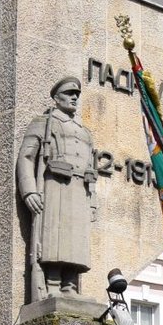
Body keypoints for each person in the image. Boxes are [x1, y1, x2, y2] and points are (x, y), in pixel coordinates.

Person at [16, 77, 102, 298]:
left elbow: (92, 170)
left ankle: (70, 286)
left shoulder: (85, 132)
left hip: (80, 191)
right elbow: (26, 157)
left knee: (76, 239)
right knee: (54, 236)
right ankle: (52, 284)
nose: (74, 98)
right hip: (54, 186)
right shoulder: (44, 123)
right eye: (69, 93)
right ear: (56, 97)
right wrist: (29, 191)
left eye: (77, 94)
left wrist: (92, 203)